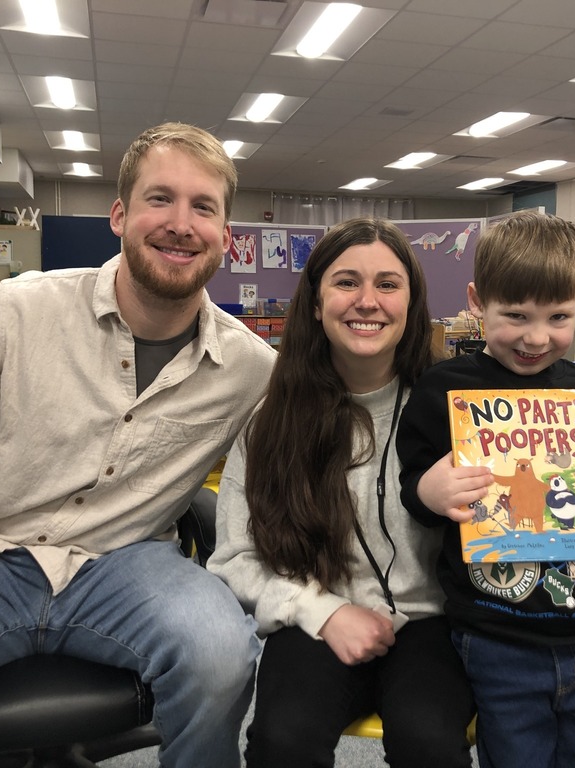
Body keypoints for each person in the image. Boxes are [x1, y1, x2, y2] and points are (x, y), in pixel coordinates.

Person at [0, 122, 277, 767]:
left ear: (225, 237)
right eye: (160, 199)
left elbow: (311, 461)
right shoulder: (16, 313)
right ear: (119, 215)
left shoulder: (250, 369)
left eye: (203, 207)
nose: (181, 223)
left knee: (221, 650)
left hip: (127, 565)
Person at [207, 218, 476, 768]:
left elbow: (530, 517)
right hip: (316, 614)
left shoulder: (461, 411)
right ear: (315, 302)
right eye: (347, 282)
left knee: (430, 742)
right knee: (282, 741)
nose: (367, 302)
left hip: (432, 623)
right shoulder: (272, 421)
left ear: (412, 302)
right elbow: (233, 558)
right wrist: (323, 612)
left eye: (387, 284)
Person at [396, 210, 575, 768]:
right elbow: (411, 488)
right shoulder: (444, 389)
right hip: (497, 636)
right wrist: (429, 492)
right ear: (476, 301)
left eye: (559, 317)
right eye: (515, 315)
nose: (538, 338)